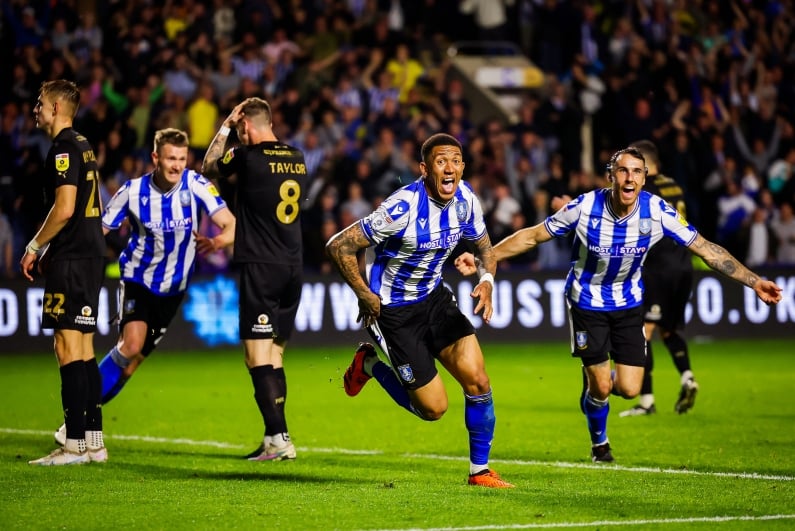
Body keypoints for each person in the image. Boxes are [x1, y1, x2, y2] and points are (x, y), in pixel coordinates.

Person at [455, 146, 783, 463]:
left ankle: (594, 384)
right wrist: (485, 256)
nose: (629, 178)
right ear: (611, 176)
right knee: (600, 386)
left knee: (628, 389)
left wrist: (754, 282)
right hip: (586, 301)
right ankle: (600, 443)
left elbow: (707, 249)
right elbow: (532, 236)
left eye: (637, 172)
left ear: (644, 178)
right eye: (623, 171)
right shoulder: (583, 208)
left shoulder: (657, 211)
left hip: (628, 304)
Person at [326, 133, 514, 488]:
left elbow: (485, 247)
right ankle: (368, 364)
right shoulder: (402, 208)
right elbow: (338, 246)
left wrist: (486, 279)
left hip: (434, 299)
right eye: (441, 161)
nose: (450, 169)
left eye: (456, 161)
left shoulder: (467, 201)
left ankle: (480, 471)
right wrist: (364, 294)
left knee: (479, 381)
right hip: (393, 311)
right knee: (434, 409)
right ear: (425, 169)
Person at [52, 128, 235, 445]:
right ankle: (78, 421)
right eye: (170, 159)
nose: (177, 165)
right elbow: (101, 230)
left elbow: (231, 224)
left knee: (131, 365)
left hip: (174, 290)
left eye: (181, 158)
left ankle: (81, 419)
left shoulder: (196, 185)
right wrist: (69, 258)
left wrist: (217, 241)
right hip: (138, 279)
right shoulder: (132, 192)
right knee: (131, 345)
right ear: (155, 158)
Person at [202, 97, 307, 462]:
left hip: (261, 265)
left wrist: (226, 126)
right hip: (293, 265)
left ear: (247, 125)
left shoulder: (247, 157)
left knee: (255, 354)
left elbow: (210, 166)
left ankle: (280, 439)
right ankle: (274, 436)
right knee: (275, 352)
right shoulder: (297, 156)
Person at [20, 80, 108, 465]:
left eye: (40, 103)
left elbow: (65, 207)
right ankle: (93, 441)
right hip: (89, 255)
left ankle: (73, 445)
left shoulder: (63, 149)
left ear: (56, 108)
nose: (35, 108)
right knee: (85, 348)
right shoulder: (84, 145)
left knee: (66, 346)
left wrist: (36, 245)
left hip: (72, 258)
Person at [621, 139, 698, 417]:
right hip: (684, 266)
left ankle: (646, 401)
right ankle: (687, 376)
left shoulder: (646, 190)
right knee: (670, 329)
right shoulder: (674, 185)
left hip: (658, 268)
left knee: (644, 331)